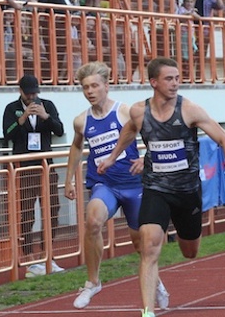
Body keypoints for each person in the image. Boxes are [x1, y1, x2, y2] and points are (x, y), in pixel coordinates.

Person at [97, 57, 225, 317]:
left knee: (190, 252)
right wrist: (112, 157)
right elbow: (129, 131)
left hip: (187, 191)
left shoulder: (190, 110)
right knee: (149, 246)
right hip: (156, 188)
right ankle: (147, 311)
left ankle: (182, 243)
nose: (175, 83)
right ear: (154, 82)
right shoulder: (139, 111)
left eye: (177, 78)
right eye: (169, 79)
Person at [63, 62, 169, 309]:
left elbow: (156, 134)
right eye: (85, 87)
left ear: (106, 86)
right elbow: (77, 146)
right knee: (93, 221)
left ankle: (156, 282)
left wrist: (146, 159)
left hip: (134, 185)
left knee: (140, 245)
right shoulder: (81, 121)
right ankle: (93, 282)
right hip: (105, 185)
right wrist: (68, 179)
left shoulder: (125, 112)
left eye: (94, 86)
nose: (90, 91)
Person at [1, 75, 65, 277]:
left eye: (34, 93)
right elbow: (7, 134)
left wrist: (46, 116)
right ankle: (29, 257)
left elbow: (60, 130)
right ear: (21, 92)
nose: (32, 97)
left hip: (46, 166)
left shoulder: (48, 105)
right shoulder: (12, 108)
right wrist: (22, 118)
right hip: (24, 168)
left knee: (52, 208)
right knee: (27, 212)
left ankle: (48, 254)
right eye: (28, 94)